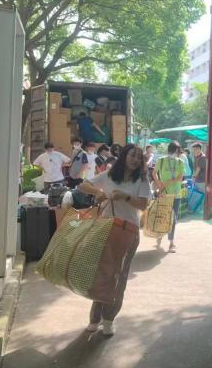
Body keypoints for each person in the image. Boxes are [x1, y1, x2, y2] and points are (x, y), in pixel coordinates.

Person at [79, 144, 150, 337]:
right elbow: (83, 184)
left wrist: (126, 197)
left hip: (128, 231)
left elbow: (143, 205)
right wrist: (98, 192)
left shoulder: (142, 179)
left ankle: (109, 319)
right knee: (101, 273)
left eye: (139, 157)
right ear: (124, 156)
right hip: (105, 229)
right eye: (132, 155)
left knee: (119, 276)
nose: (135, 159)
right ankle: (95, 318)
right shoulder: (109, 175)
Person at [152, 141, 186, 253]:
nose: (178, 153)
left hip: (176, 194)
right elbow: (154, 173)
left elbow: (180, 178)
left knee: (173, 218)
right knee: (163, 217)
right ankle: (160, 235)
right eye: (178, 151)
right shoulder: (161, 160)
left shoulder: (180, 162)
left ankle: (171, 243)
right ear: (174, 150)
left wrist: (166, 183)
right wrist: (159, 183)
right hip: (164, 194)